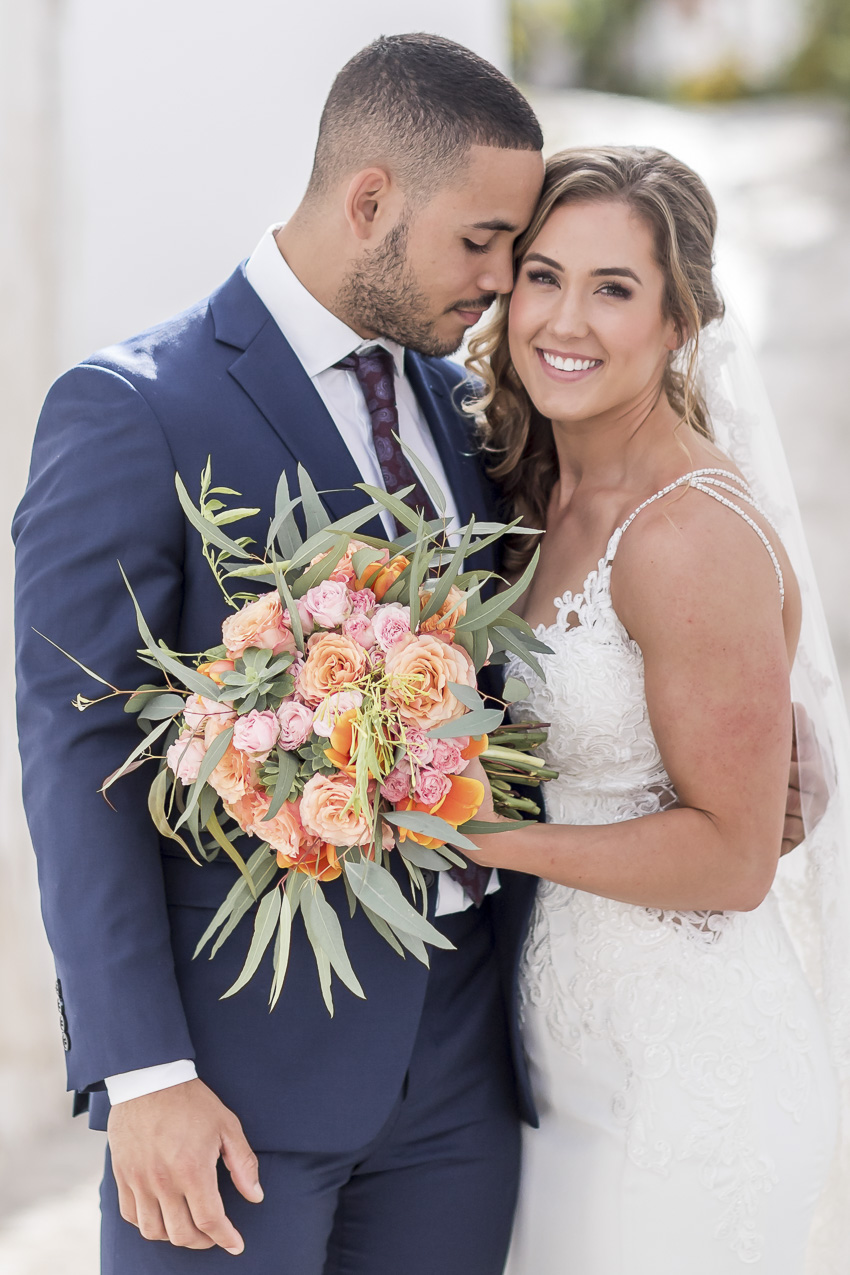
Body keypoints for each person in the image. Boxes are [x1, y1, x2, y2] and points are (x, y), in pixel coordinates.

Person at [13, 34, 545, 1275]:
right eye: (480, 240)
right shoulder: (133, 407)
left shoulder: (466, 410)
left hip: (464, 1075)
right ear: (370, 201)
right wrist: (143, 1073)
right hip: (236, 1081)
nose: (503, 280)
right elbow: (76, 749)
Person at [461, 145, 846, 1273]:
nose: (563, 319)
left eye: (613, 289)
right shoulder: (534, 484)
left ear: (680, 322)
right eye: (542, 274)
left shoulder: (685, 534)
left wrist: (478, 838)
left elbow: (734, 859)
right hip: (565, 1060)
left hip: (687, 1080)